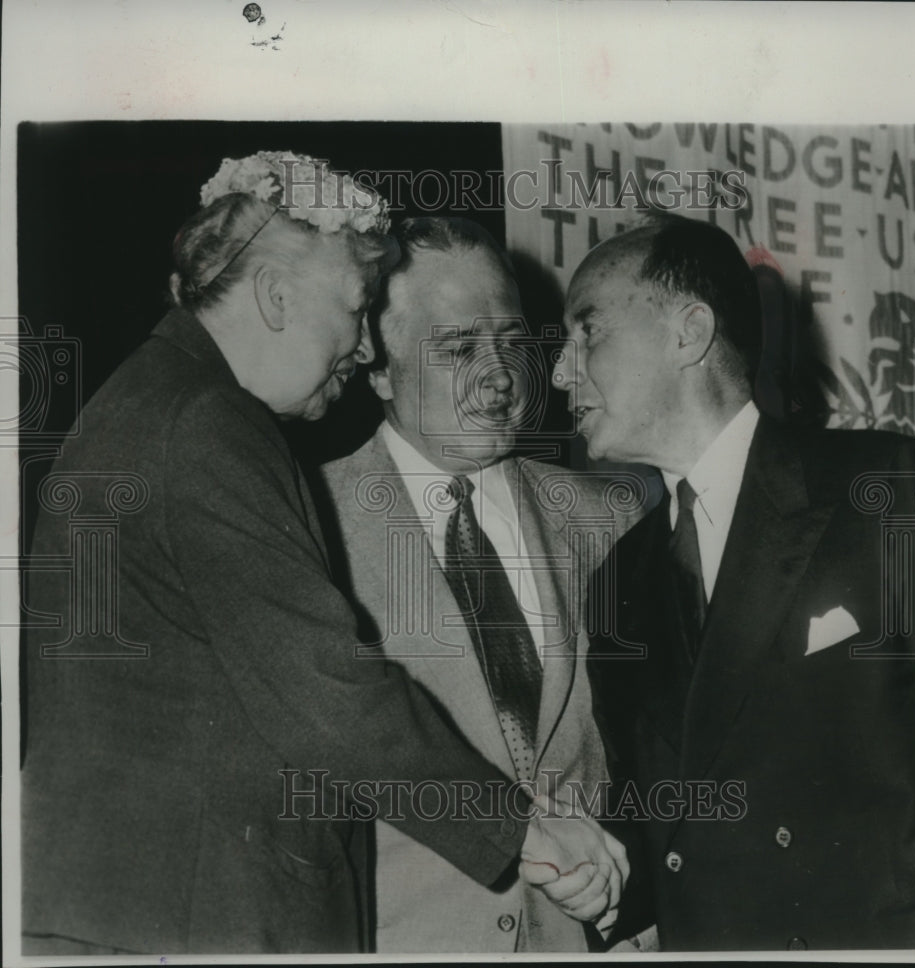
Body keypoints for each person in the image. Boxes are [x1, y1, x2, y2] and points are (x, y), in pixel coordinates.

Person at [20, 152, 625, 956]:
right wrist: (523, 830)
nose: (357, 343)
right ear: (275, 296)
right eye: (352, 308)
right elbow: (328, 695)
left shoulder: (149, 402)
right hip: (182, 916)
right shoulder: (203, 427)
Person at [552, 215, 915, 951]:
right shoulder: (615, 581)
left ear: (689, 332)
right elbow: (665, 822)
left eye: (585, 332)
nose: (562, 371)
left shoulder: (891, 490)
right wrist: (604, 876)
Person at [319, 217, 636, 952]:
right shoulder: (304, 527)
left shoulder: (612, 517)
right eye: (459, 348)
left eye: (514, 343)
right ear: (375, 364)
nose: (500, 377)